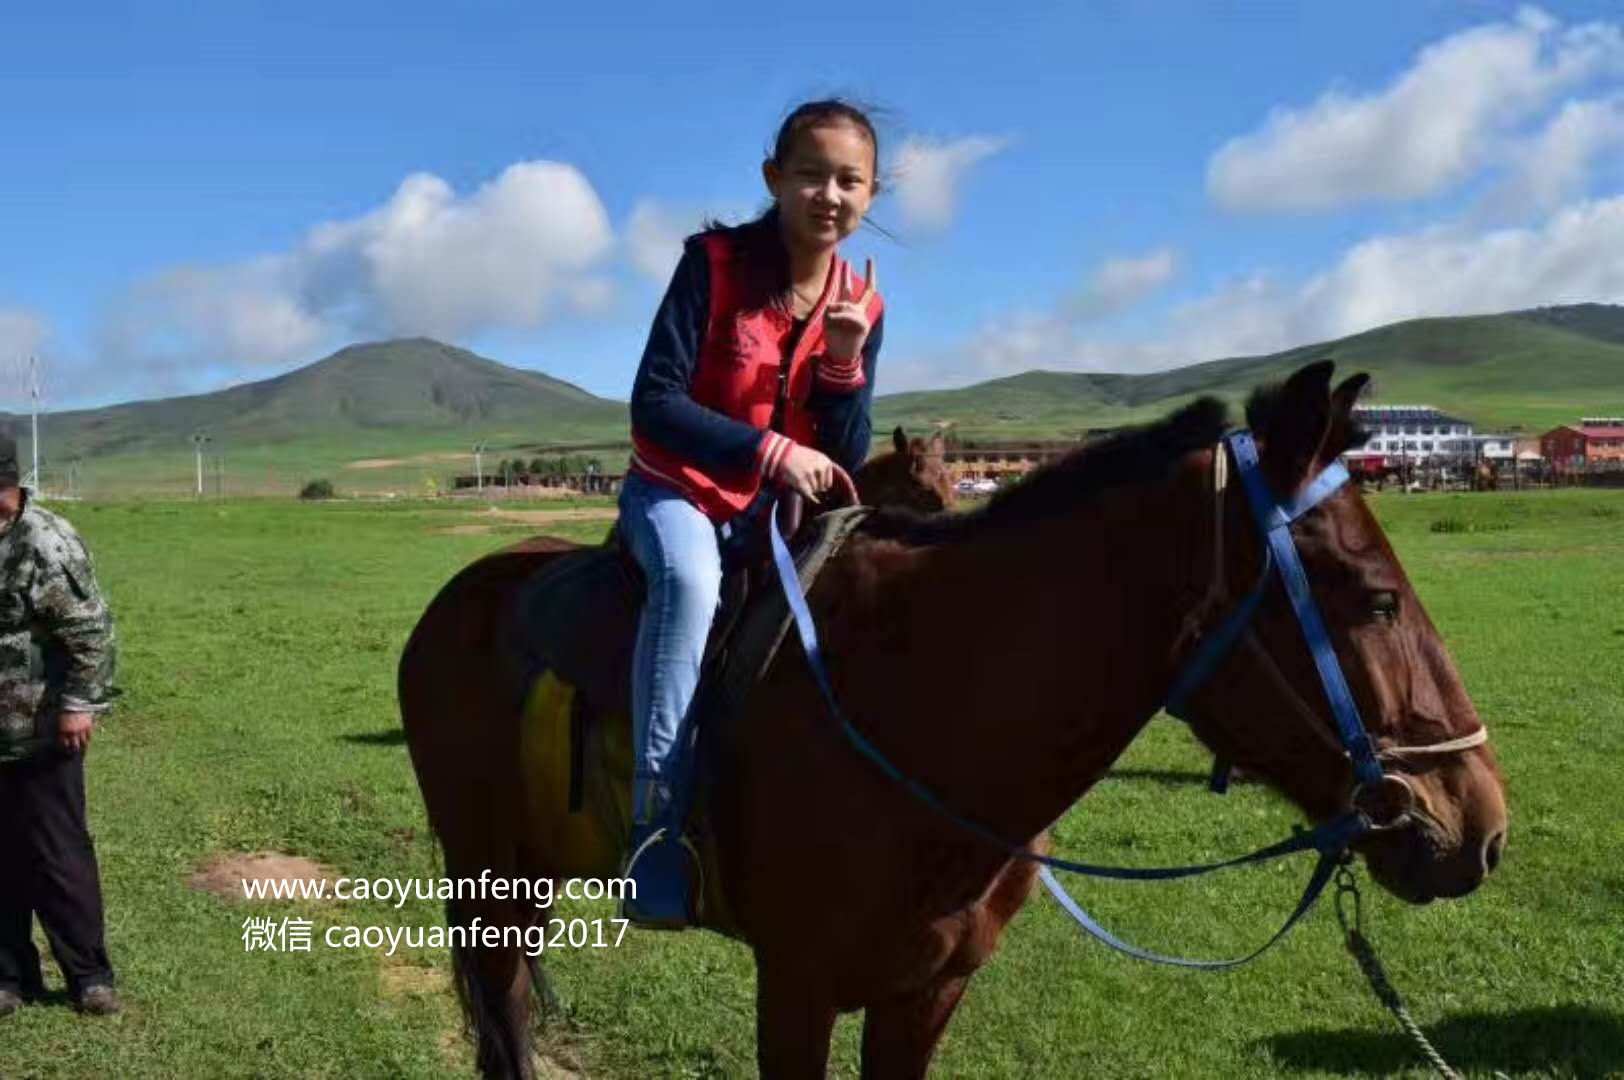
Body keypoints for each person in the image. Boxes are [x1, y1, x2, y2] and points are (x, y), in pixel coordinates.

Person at [619, 99, 886, 928]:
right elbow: (653, 402)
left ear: (872, 194)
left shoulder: (863, 304)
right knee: (692, 589)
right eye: (810, 173)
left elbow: (845, 450)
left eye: (850, 180)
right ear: (775, 179)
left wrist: (843, 361)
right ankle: (653, 835)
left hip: (777, 515)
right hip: (676, 492)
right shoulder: (713, 263)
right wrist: (770, 453)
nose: (828, 194)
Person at [0, 433, 120, 1017]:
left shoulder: (45, 541)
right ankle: (8, 977)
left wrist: (78, 704)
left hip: (42, 729)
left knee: (57, 851)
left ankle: (89, 977)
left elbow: (91, 632)